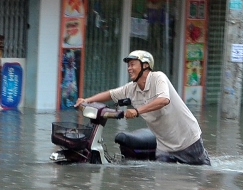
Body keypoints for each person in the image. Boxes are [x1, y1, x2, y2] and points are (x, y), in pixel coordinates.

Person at [75, 50, 211, 165]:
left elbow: (163, 100)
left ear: (145, 65)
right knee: (163, 183)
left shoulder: (158, 77)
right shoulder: (131, 88)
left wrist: (136, 111)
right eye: (128, 65)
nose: (129, 68)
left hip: (187, 140)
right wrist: (86, 100)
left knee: (198, 177)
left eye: (132, 64)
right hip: (165, 145)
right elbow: (110, 94)